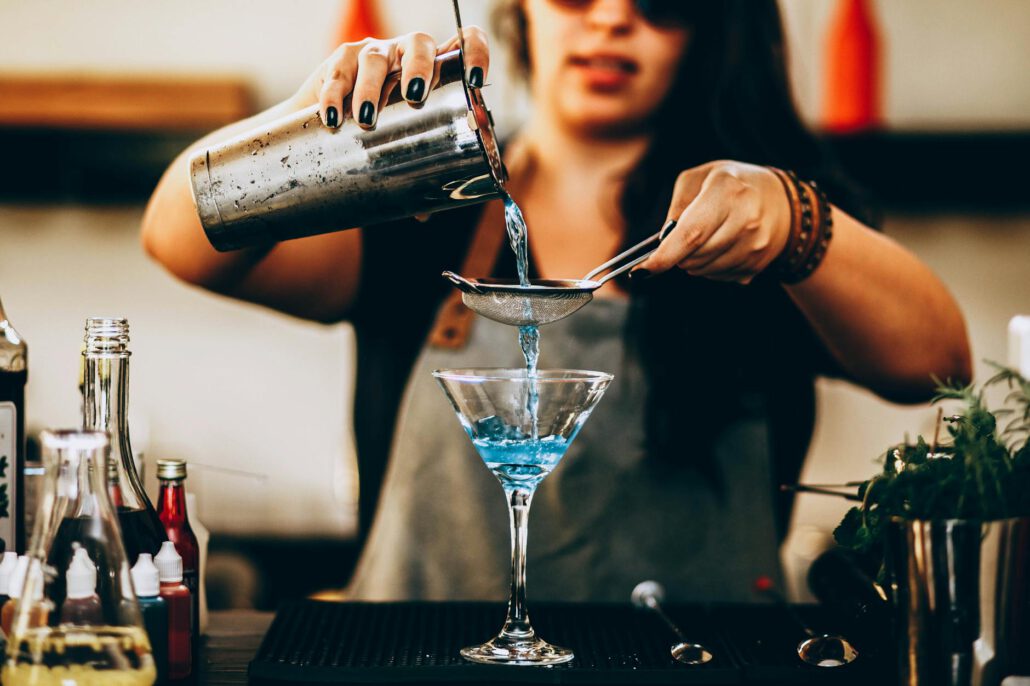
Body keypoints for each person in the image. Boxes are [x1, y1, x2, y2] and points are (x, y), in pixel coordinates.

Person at [142, 0, 971, 601]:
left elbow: (937, 366)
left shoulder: (756, 227)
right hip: (415, 667)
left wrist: (797, 219)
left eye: (662, 5)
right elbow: (178, 238)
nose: (612, 18)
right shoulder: (421, 207)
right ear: (521, 11)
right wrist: (306, 128)